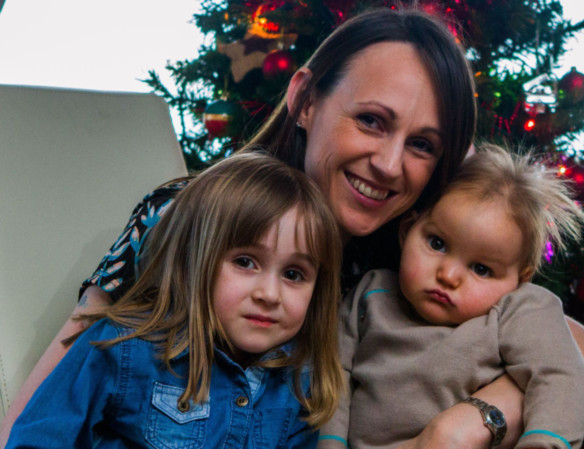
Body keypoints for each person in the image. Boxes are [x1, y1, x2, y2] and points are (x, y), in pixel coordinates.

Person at [0, 7, 584, 449]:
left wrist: (466, 425)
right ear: (306, 100)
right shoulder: (196, 215)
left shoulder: (408, 254)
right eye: (373, 121)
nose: (389, 163)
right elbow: (54, 391)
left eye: (423, 145)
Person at [6, 153, 344, 448]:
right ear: (194, 259)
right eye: (244, 262)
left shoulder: (299, 385)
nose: (269, 294)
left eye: (294, 274)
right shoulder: (120, 346)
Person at [319, 146, 584, 449]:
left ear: (520, 279)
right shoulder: (372, 293)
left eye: (481, 269)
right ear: (408, 230)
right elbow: (334, 374)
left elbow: (561, 374)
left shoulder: (517, 309)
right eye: (437, 243)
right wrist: (330, 442)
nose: (448, 275)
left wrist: (543, 442)